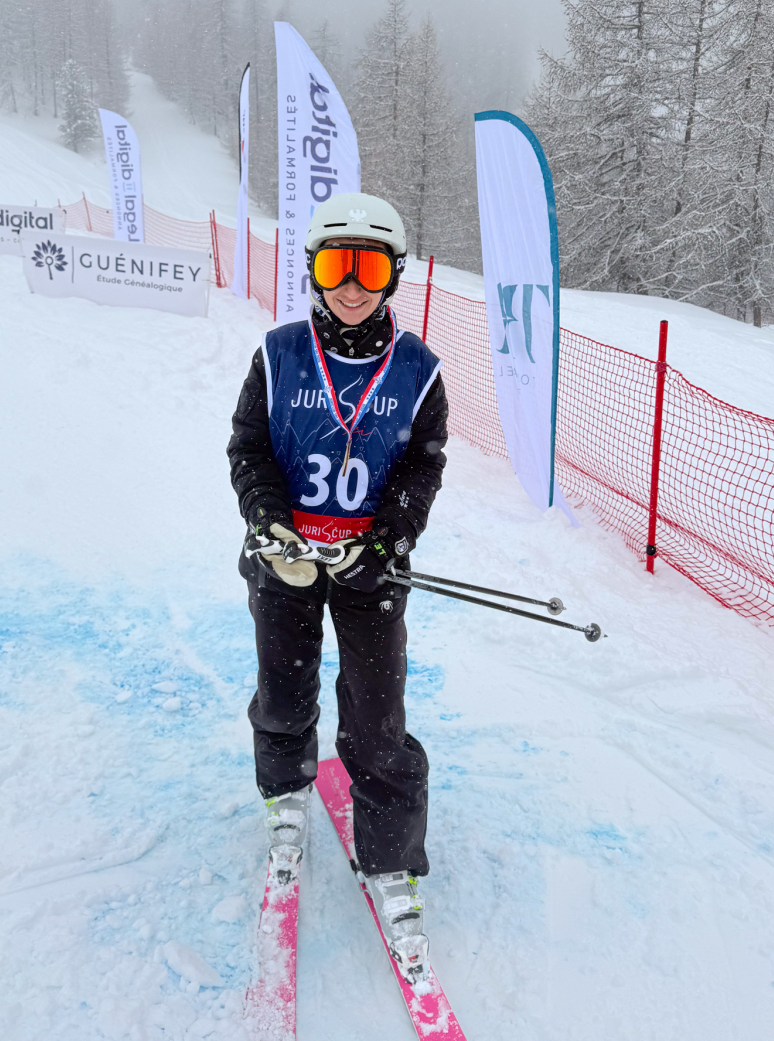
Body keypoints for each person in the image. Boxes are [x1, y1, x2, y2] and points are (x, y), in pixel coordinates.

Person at [227, 191, 448, 983]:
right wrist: (267, 521)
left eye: (369, 269)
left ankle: (389, 857)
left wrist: (387, 541)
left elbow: (422, 466)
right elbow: (249, 447)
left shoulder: (418, 370)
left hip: (368, 569)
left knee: (377, 713)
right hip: (286, 562)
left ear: (393, 275)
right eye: (335, 266)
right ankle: (285, 792)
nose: (352, 285)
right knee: (284, 691)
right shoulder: (279, 353)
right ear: (314, 272)